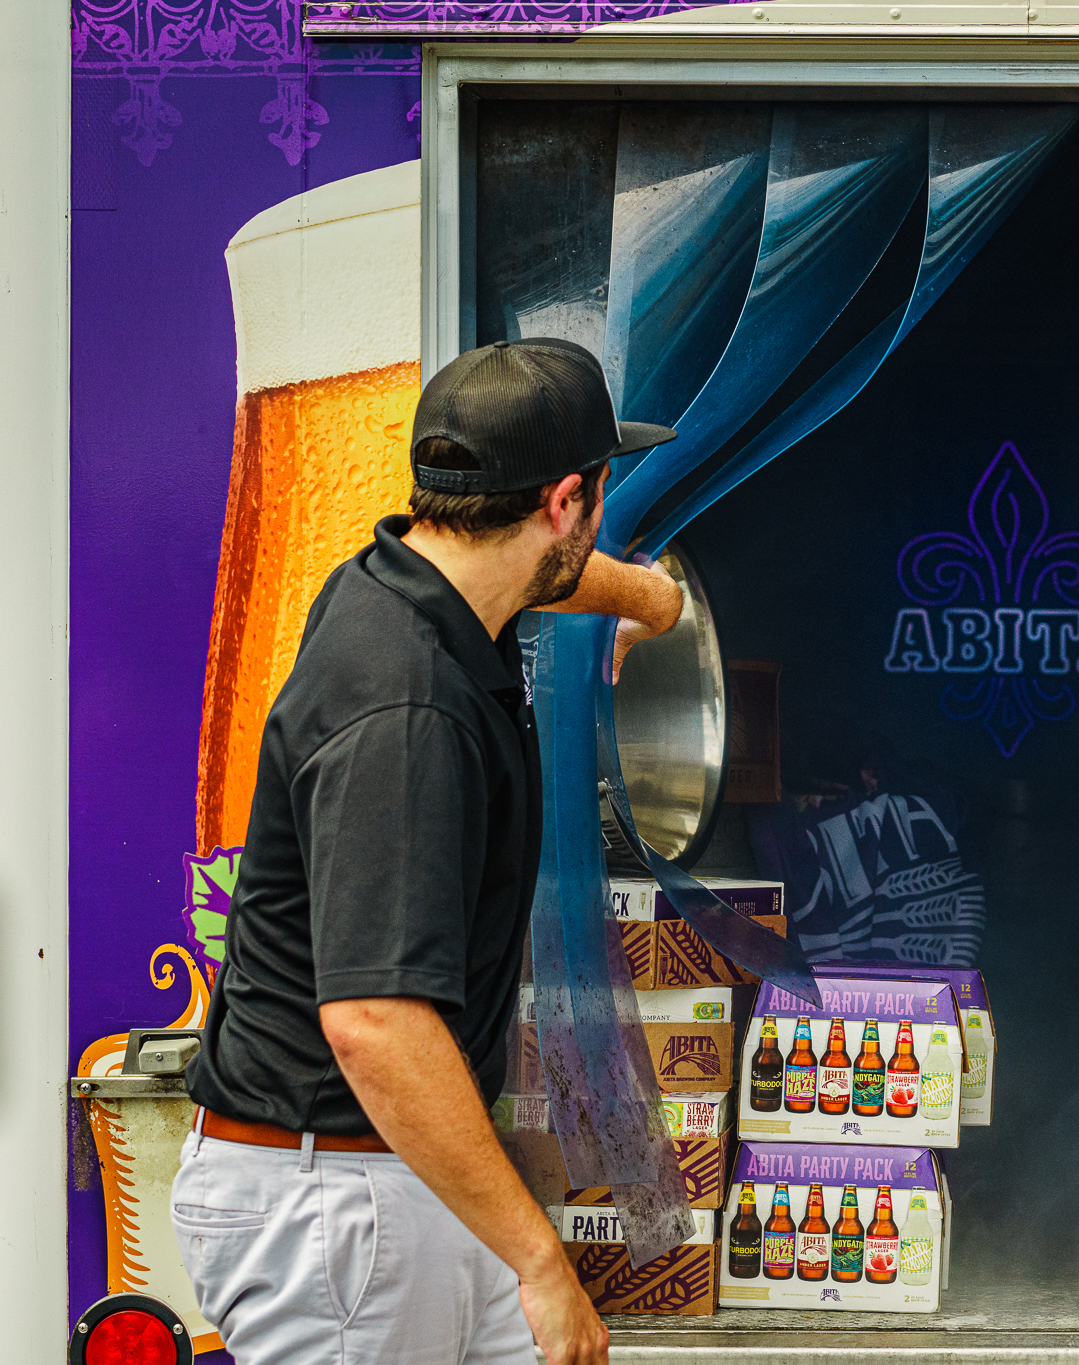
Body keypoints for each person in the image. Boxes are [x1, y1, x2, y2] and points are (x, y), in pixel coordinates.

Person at [174, 339, 684, 1365]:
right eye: (597, 497)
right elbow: (372, 1021)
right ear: (565, 502)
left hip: (396, 1174)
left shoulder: (413, 585)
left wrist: (647, 601)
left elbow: (548, 580)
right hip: (337, 1203)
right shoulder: (406, 707)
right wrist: (540, 1261)